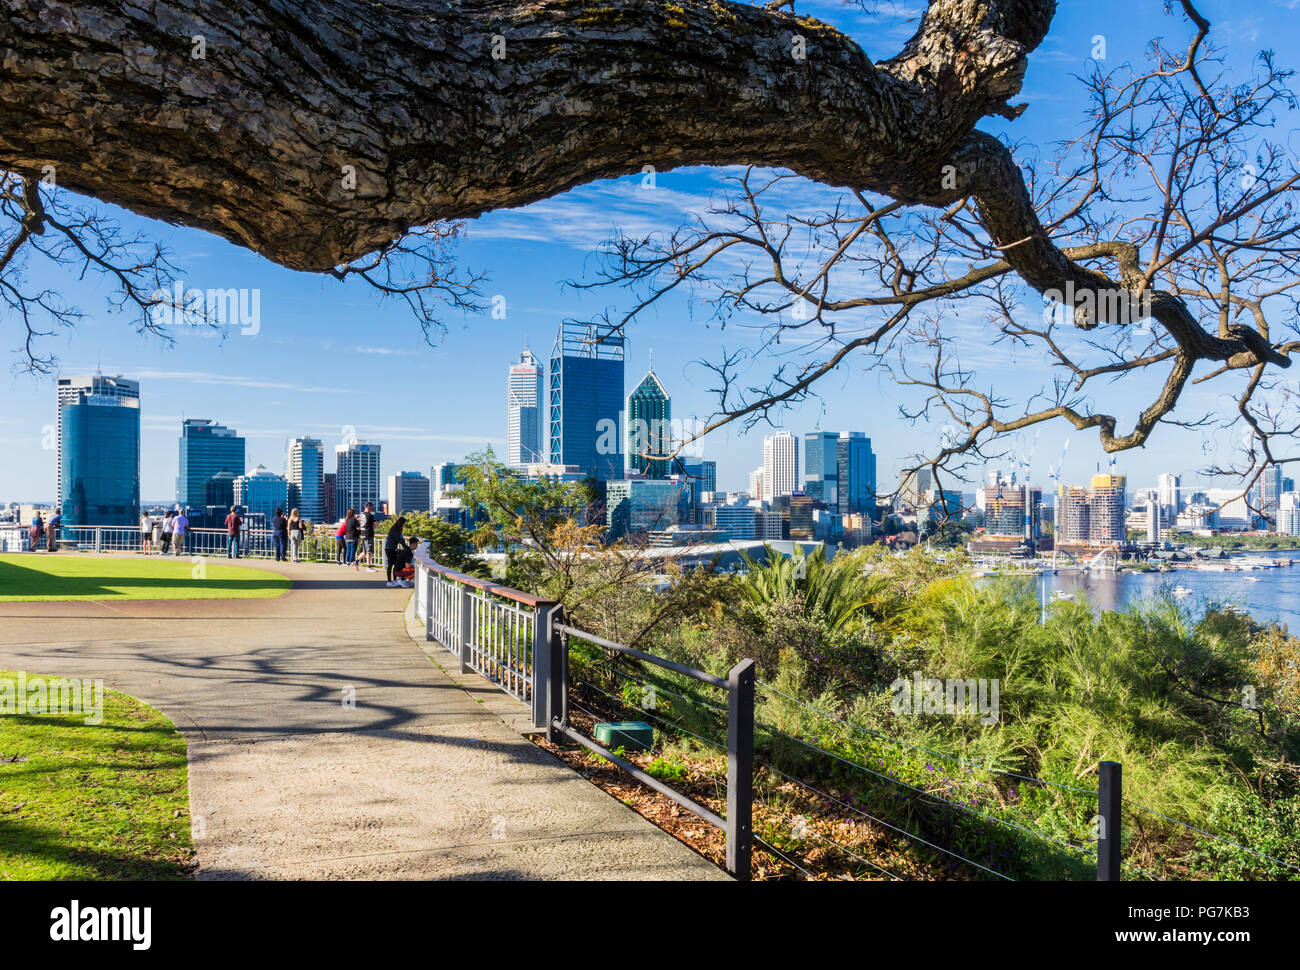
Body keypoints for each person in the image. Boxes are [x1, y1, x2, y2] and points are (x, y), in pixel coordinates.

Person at [384, 518, 414, 587]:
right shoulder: (395, 530)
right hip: (389, 549)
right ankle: (389, 581)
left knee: (396, 565)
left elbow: (401, 540)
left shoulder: (398, 529)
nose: (405, 524)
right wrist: (407, 548)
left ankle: (395, 580)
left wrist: (406, 547)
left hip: (393, 549)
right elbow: (399, 540)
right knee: (390, 565)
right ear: (401, 523)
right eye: (404, 523)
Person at [356, 502, 377, 572]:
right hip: (368, 534)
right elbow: (375, 524)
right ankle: (369, 567)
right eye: (371, 506)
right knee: (369, 551)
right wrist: (376, 525)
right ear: (368, 507)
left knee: (365, 551)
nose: (372, 508)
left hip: (363, 534)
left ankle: (356, 562)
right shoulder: (370, 515)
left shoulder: (361, 515)